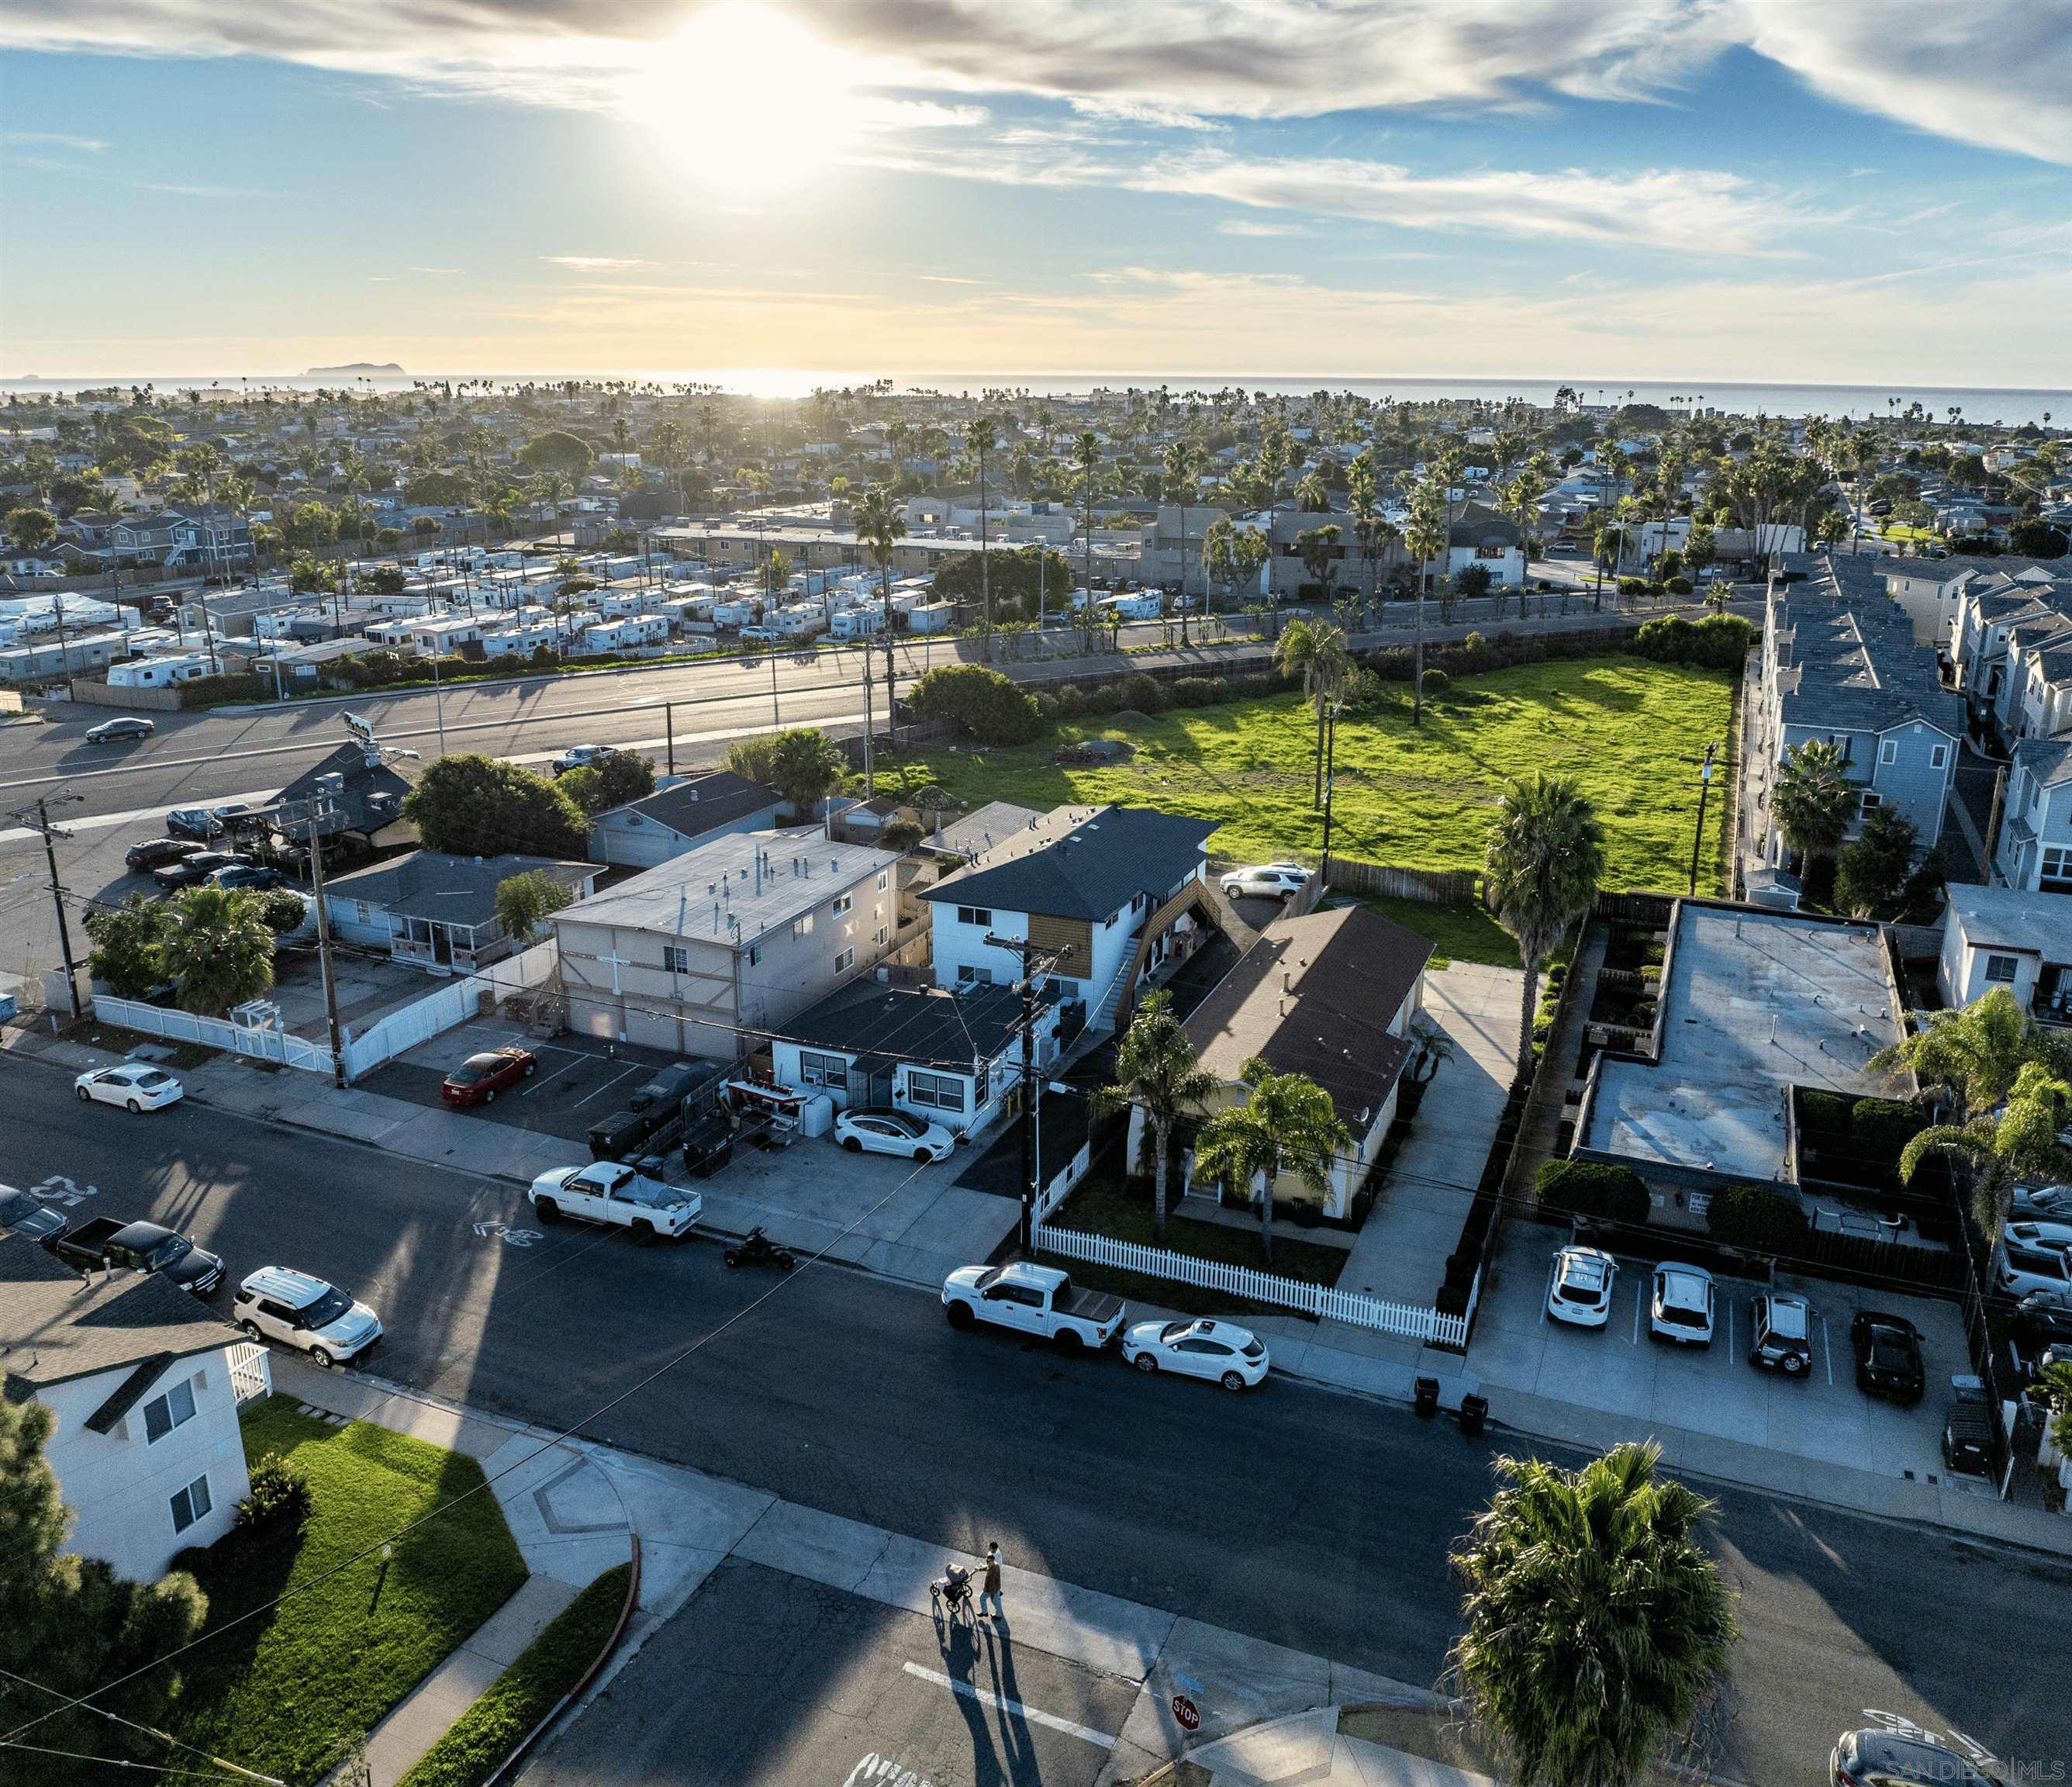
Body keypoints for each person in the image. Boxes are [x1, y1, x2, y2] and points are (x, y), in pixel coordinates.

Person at [978, 1541, 1003, 1618]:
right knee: (997, 1602)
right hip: (996, 1588)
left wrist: (992, 1595)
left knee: (984, 1599)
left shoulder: (992, 1571)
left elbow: (992, 1585)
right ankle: (998, 1614)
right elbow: (988, 1567)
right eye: (987, 1561)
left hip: (992, 1589)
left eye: (988, 1562)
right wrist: (979, 1569)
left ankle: (985, 1612)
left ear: (992, 1561)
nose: (987, 1563)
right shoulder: (995, 1564)